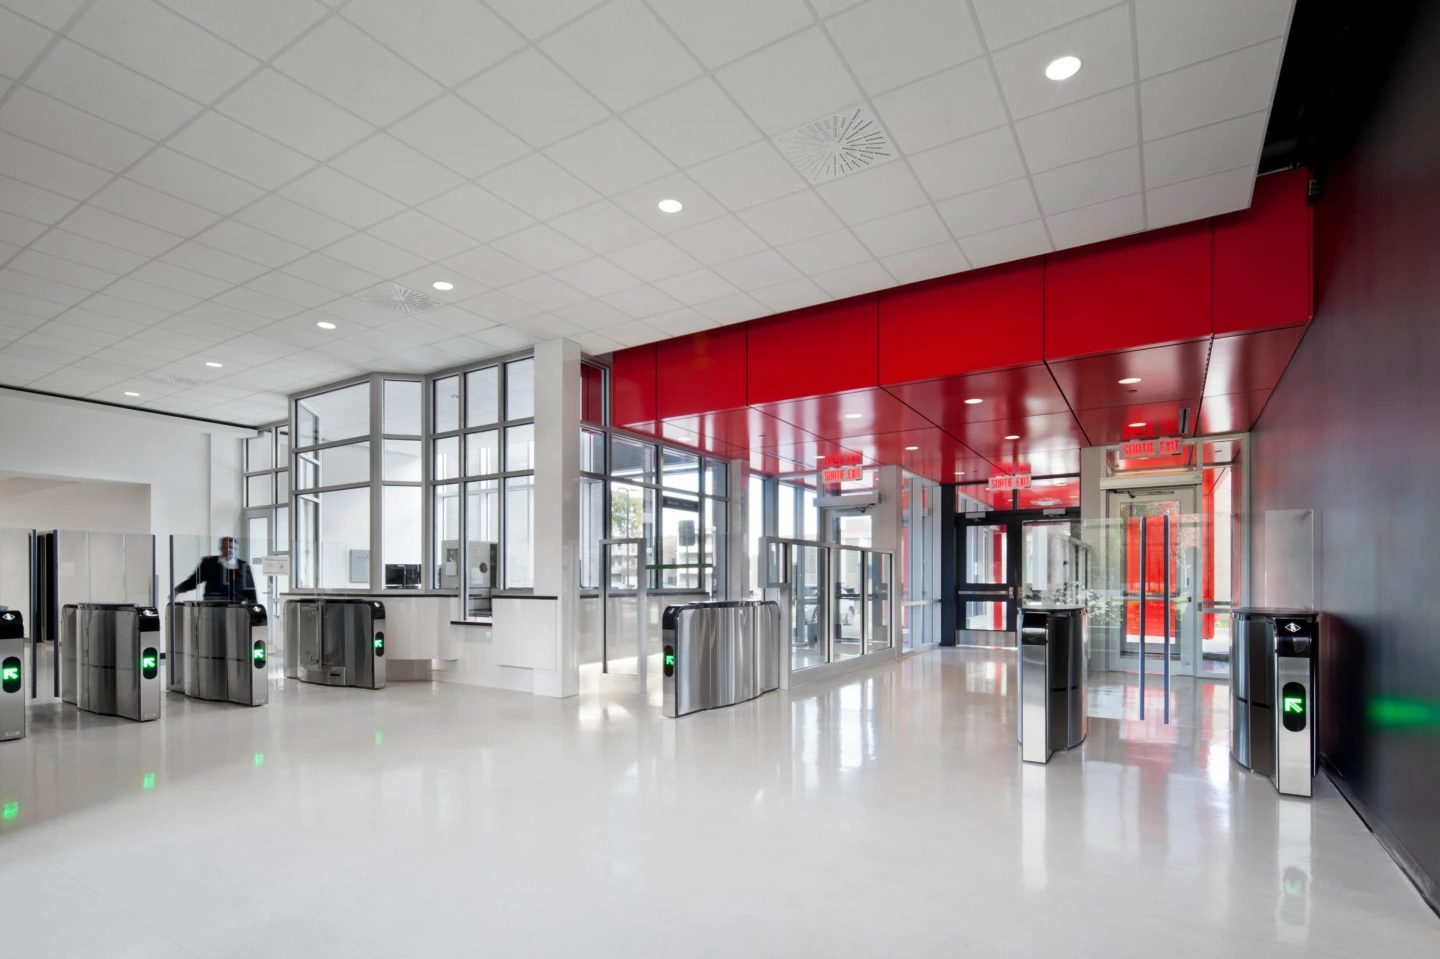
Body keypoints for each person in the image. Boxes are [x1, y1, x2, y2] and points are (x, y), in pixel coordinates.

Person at [175, 537, 257, 603]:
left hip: (236, 606)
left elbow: (250, 590)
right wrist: (178, 590)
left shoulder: (243, 566)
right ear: (221, 548)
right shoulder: (208, 563)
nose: (228, 550)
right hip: (212, 605)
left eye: (231, 547)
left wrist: (254, 608)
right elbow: (193, 580)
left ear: (235, 549)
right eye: (225, 547)